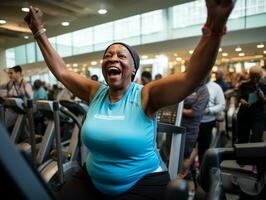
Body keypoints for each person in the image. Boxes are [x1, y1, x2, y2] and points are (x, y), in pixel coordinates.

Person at [24, 1, 235, 199]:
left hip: (141, 182)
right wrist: (38, 31)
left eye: (121, 56)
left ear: (133, 68)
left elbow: (192, 77)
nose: (113, 58)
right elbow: (61, 71)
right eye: (108, 55)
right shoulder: (94, 92)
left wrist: (214, 28)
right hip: (92, 178)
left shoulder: (146, 95)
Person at [197, 75, 226, 163]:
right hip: (191, 122)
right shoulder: (193, 85)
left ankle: (202, 168)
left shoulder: (216, 87)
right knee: (190, 148)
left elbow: (222, 105)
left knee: (204, 148)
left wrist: (209, 110)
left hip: (207, 122)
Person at [236, 65, 266, 143]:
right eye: (253, 77)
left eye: (257, 77)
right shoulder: (244, 85)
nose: (255, 79)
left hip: (258, 115)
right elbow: (239, 97)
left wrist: (262, 97)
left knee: (256, 139)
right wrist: (241, 100)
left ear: (261, 75)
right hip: (244, 114)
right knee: (242, 139)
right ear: (249, 75)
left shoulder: (264, 86)